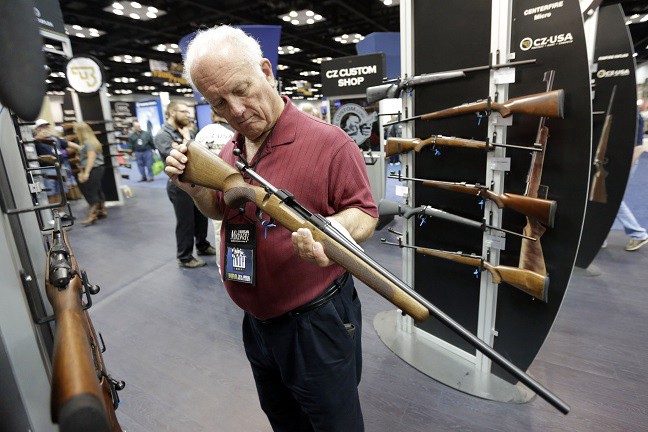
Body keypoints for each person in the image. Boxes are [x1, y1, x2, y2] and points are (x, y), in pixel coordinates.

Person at [165, 25, 377, 431]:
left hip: (317, 324)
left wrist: (329, 231)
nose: (236, 111)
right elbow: (220, 210)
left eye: (241, 89)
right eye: (219, 103)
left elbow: (364, 214)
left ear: (266, 70)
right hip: (257, 325)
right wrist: (192, 188)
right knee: (283, 420)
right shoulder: (230, 148)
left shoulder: (330, 143)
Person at [155, 101, 216, 268]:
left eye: (188, 112)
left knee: (201, 216)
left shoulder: (189, 129)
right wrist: (187, 140)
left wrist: (185, 141)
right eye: (183, 111)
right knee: (186, 221)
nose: (188, 115)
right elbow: (177, 156)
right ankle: (184, 257)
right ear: (172, 112)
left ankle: (202, 245)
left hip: (196, 182)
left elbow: (198, 153)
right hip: (178, 184)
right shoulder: (163, 135)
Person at [193, 109, 235, 275]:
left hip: (210, 186)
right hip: (233, 184)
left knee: (219, 229)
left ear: (212, 114)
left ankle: (222, 266)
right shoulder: (233, 133)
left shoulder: (202, 133)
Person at [614, 113, 648, 251]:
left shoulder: (633, 114)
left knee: (613, 199)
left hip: (626, 163)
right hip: (617, 162)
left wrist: (626, 168)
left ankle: (638, 234)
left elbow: (638, 147)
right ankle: (600, 238)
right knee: (605, 198)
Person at [32, 119, 75, 220]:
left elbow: (66, 144)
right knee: (51, 193)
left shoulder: (54, 137)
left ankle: (61, 213)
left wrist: (82, 149)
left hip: (59, 168)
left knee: (60, 192)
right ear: (37, 129)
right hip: (47, 169)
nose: (45, 128)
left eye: (46, 126)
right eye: (42, 126)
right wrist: (38, 138)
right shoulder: (35, 140)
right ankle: (54, 216)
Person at [72, 122, 107, 225]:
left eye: (76, 131)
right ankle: (101, 211)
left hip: (94, 169)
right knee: (97, 190)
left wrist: (86, 173)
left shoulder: (88, 143)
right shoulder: (91, 142)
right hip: (97, 168)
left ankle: (92, 215)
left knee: (91, 192)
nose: (75, 133)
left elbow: (91, 157)